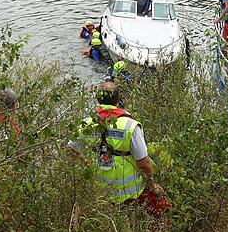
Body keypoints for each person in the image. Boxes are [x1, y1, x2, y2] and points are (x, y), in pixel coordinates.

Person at [70, 82, 170, 216]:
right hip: (130, 192)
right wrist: (151, 184)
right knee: (159, 209)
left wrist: (87, 166)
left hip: (101, 191)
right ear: (118, 99)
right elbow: (143, 163)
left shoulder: (87, 124)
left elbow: (70, 150)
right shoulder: (130, 126)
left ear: (98, 99)